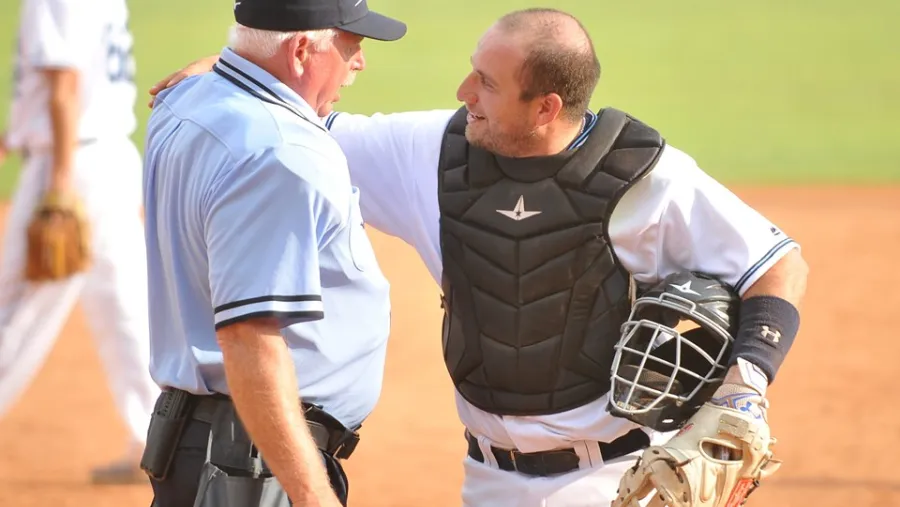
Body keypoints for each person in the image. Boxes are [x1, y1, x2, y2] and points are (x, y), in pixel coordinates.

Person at [150, 7, 809, 506]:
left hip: (618, 477)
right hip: (487, 479)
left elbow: (776, 263)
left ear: (546, 105)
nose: (465, 91)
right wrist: (229, 67)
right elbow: (297, 118)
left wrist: (746, 393)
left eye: (488, 83)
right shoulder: (430, 153)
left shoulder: (646, 177)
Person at [138, 0, 406, 506]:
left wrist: (225, 63)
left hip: (203, 446)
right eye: (351, 45)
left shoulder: (185, 98)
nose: (359, 62)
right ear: (303, 49)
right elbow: (249, 340)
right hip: (253, 458)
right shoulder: (282, 151)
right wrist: (312, 496)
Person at [0, 0, 159, 484]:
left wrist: (60, 187)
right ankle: (158, 445)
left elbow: (65, 88)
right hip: (110, 159)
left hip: (71, 164)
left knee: (15, 310)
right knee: (125, 310)